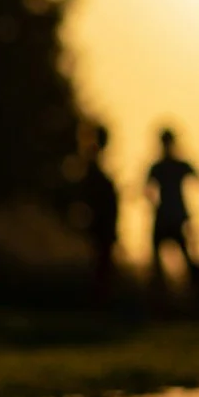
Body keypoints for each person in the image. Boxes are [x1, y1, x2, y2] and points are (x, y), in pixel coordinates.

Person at [145, 128, 198, 297]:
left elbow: (147, 191)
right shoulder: (172, 166)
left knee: (182, 260)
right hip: (172, 217)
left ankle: (186, 298)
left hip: (170, 218)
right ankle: (165, 299)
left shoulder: (160, 167)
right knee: (160, 264)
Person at [75, 123, 121, 308]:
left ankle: (98, 304)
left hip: (100, 225)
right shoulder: (95, 171)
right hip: (99, 224)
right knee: (99, 267)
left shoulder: (93, 168)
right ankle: (97, 304)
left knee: (100, 267)